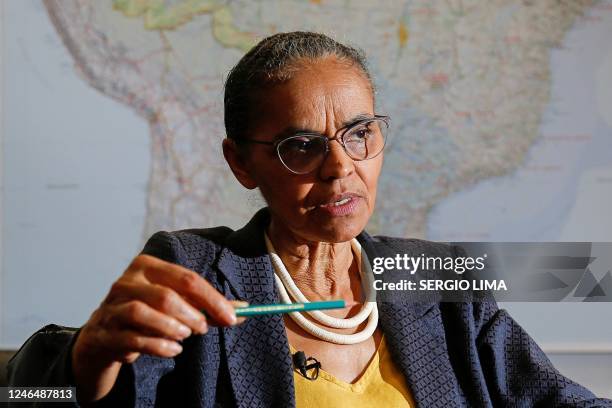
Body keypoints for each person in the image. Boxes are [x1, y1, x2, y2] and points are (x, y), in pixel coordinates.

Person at [7, 31, 612, 408]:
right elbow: (33, 398)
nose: (340, 169)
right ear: (241, 163)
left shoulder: (430, 274)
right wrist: (86, 363)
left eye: (360, 133)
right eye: (301, 146)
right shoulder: (193, 273)